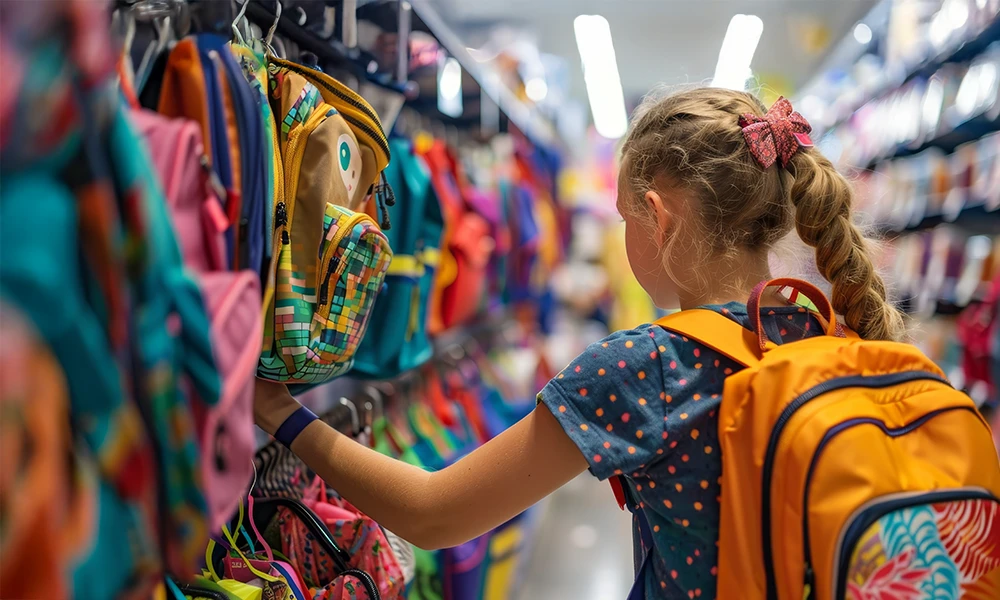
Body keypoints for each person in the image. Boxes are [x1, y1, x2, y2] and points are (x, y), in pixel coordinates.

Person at [253, 88, 905, 599]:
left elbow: (433, 515)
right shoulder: (829, 335)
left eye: (625, 219)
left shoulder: (651, 366)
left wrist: (282, 415)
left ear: (660, 217)